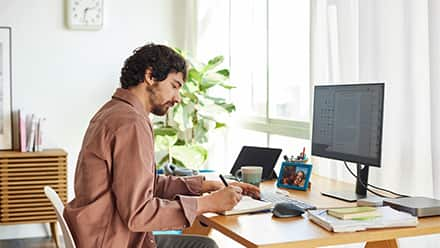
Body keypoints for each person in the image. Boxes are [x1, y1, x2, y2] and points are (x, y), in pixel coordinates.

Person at [63, 43, 260, 248]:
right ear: (150, 76)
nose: (177, 98)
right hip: (115, 240)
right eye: (174, 85)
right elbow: (138, 213)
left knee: (204, 244)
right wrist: (208, 203)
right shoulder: (131, 122)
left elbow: (139, 185)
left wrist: (203, 185)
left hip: (103, 234)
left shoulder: (114, 111)